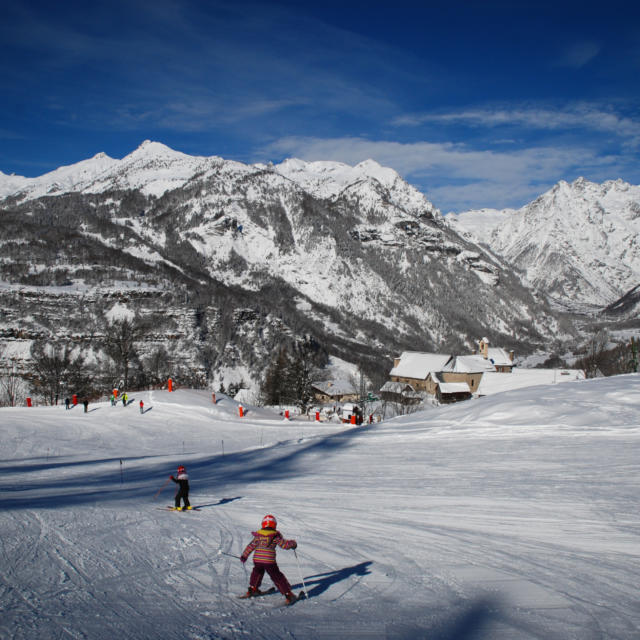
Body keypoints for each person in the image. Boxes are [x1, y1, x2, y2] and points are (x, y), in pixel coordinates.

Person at [240, 514, 297, 604]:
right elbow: (284, 545)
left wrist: (244, 556)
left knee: (257, 573)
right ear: (274, 525)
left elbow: (251, 546)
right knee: (277, 576)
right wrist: (293, 543)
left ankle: (253, 589)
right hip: (269, 561)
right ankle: (288, 594)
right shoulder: (275, 536)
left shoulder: (258, 536)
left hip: (258, 560)